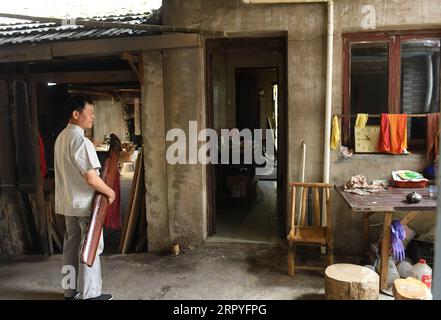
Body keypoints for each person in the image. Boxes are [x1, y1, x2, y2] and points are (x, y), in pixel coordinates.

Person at [54, 96, 115, 300]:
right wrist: (109, 191)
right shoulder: (80, 140)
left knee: (71, 248)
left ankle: (70, 291)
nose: (93, 118)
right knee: (90, 248)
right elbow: (91, 177)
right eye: (90, 113)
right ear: (76, 114)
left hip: (68, 203)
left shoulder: (62, 137)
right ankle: (90, 295)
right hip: (84, 204)